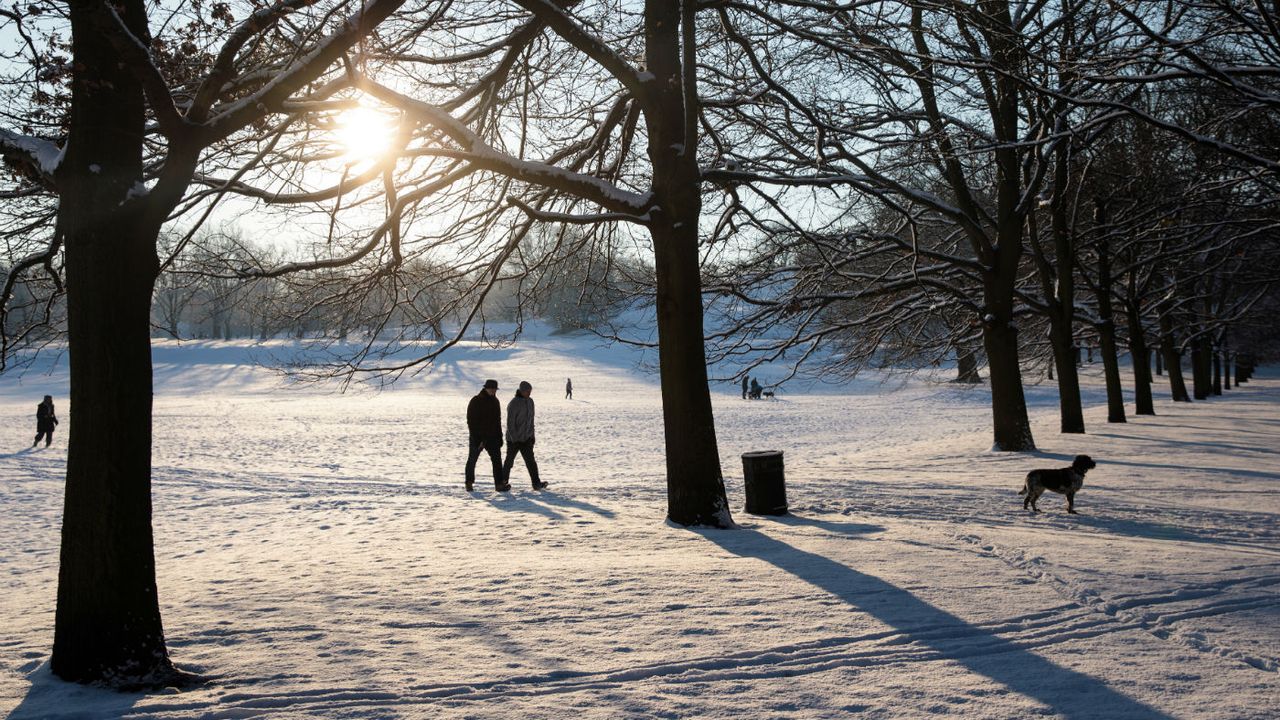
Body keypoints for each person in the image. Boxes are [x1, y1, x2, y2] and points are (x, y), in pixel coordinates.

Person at [504, 381, 548, 490]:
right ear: (522, 391)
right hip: (514, 440)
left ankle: (536, 484)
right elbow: (510, 423)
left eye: (530, 391)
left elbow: (531, 420)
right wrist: (515, 438)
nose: (529, 393)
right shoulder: (514, 403)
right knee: (509, 462)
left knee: (531, 462)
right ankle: (503, 482)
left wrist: (532, 435)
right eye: (528, 391)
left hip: (526, 438)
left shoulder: (530, 402)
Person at [465, 379, 508, 492]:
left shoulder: (495, 401)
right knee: (472, 459)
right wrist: (476, 438)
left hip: (492, 436)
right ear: (486, 388)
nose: (493, 391)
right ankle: (469, 482)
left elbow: (497, 420)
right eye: (491, 389)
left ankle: (499, 484)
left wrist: (499, 437)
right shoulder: (476, 400)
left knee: (497, 460)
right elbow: (471, 421)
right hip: (478, 436)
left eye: (495, 389)